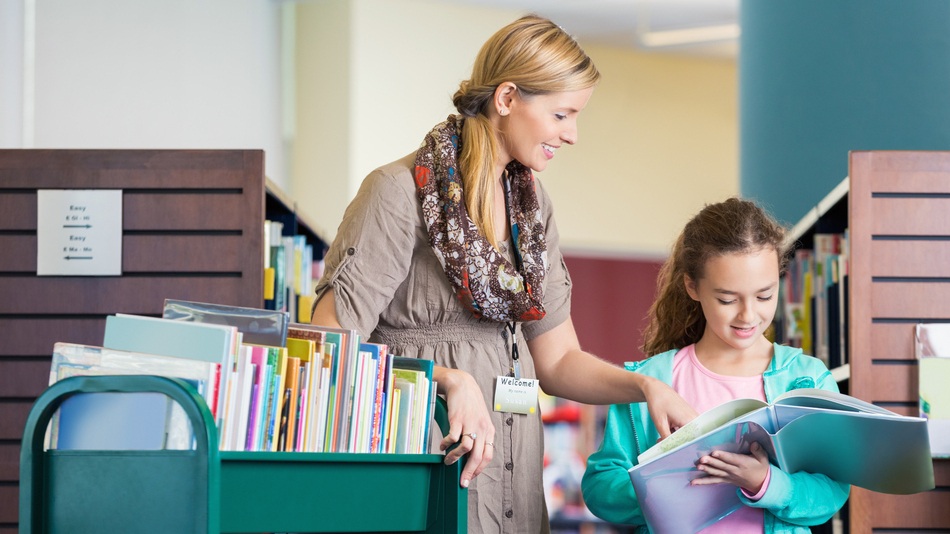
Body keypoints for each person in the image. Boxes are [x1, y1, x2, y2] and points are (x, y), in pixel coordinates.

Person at [309, 14, 698, 533]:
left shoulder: (532, 211)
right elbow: (327, 343)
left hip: (513, 478)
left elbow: (557, 360)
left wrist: (646, 387)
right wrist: (445, 381)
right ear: (508, 98)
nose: (573, 134)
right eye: (562, 114)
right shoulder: (397, 193)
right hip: (425, 463)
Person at [581, 197, 850, 533]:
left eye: (765, 295)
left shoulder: (806, 379)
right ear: (692, 286)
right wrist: (666, 485)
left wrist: (767, 482)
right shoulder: (651, 381)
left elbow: (832, 492)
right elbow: (599, 486)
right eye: (727, 299)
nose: (748, 315)